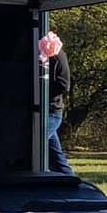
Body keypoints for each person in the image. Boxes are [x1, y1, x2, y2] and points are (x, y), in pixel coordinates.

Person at [40, 32, 72, 172]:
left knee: (35, 147)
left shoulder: (59, 57)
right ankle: (69, 178)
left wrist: (42, 92)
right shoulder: (40, 57)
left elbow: (64, 85)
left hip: (52, 112)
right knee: (56, 157)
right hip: (42, 111)